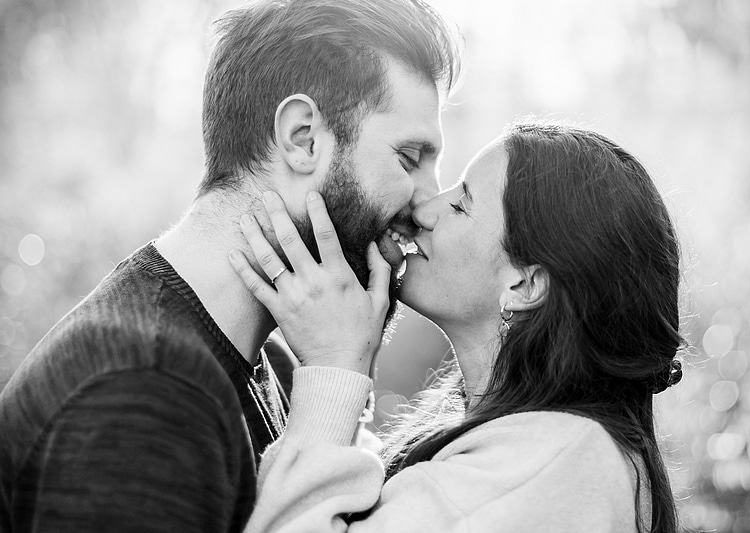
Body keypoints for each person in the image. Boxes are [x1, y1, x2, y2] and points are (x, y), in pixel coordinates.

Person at [0, 0, 460, 530]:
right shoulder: (145, 392)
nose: (428, 202)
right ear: (302, 137)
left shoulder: (280, 374)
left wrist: (340, 377)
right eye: (409, 158)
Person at [230, 120, 686, 532]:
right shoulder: (548, 454)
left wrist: (334, 365)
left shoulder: (538, 472)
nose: (426, 210)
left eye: (462, 204)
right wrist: (352, 364)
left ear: (525, 284)